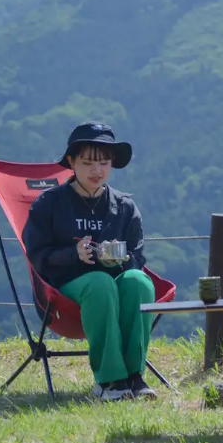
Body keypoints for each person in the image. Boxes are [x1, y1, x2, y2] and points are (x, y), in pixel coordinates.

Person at [23, 121, 157, 401]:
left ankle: (134, 376)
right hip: (63, 291)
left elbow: (138, 257)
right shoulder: (50, 203)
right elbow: (36, 254)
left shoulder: (124, 207)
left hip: (113, 283)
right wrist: (74, 254)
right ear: (71, 162)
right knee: (99, 283)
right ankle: (110, 381)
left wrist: (118, 259)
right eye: (87, 163)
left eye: (104, 163)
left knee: (139, 281)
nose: (97, 171)